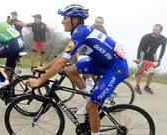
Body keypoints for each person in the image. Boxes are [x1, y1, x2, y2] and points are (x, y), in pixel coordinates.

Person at [26, 4, 128, 135]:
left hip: (116, 67)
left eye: (65, 18)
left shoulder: (81, 32)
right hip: (101, 62)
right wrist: (45, 67)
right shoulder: (80, 31)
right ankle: (88, 101)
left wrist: (40, 80)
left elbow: (62, 62)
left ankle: (91, 112)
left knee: (93, 107)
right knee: (70, 71)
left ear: (74, 20)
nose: (62, 21)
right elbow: (64, 54)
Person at [76, 16, 108, 115]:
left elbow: (103, 46)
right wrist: (78, 53)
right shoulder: (90, 29)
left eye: (100, 23)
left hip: (98, 55)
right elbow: (84, 42)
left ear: (102, 24)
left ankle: (92, 88)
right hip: (89, 53)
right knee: (84, 71)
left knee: (87, 72)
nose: (98, 24)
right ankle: (91, 86)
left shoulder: (104, 32)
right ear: (94, 22)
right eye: (97, 22)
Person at [135, 24, 166, 94]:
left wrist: (159, 60)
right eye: (153, 30)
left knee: (152, 72)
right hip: (143, 54)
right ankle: (137, 86)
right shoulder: (146, 37)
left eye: (156, 30)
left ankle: (147, 86)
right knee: (141, 70)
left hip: (153, 55)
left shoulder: (163, 39)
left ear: (160, 31)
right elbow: (139, 48)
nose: (154, 31)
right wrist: (138, 58)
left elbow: (162, 50)